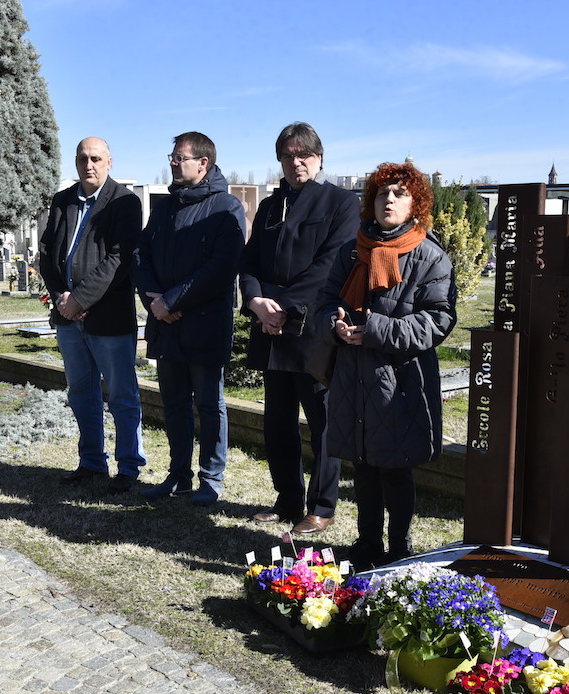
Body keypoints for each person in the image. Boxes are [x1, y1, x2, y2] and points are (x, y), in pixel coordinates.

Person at [316, 162, 457, 567]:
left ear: (416, 203)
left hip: (400, 380)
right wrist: (335, 325)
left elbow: (438, 321)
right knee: (362, 466)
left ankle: (398, 548)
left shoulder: (430, 257)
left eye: (399, 194)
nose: (389, 200)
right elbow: (326, 301)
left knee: (394, 467)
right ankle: (366, 545)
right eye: (381, 194)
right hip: (353, 376)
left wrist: (375, 328)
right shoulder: (352, 250)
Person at [238, 122, 358, 535]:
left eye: (303, 154)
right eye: (287, 156)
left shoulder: (341, 203)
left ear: (319, 158)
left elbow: (329, 266)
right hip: (271, 330)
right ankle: (287, 498)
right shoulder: (271, 206)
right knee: (278, 423)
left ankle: (321, 507)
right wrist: (255, 302)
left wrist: (282, 307)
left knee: (323, 423)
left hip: (312, 331)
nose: (296, 162)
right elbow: (249, 261)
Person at [133, 132, 246, 506]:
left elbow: (221, 267)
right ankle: (179, 474)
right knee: (175, 403)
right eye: (172, 156)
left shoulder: (226, 207)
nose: (173, 162)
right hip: (165, 322)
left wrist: (174, 299)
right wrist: (155, 302)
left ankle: (211, 479)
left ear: (203, 164)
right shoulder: (165, 207)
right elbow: (140, 254)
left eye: (180, 157)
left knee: (209, 404)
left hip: (203, 323)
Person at [39, 137, 145, 494]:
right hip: (69, 319)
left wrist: (80, 299)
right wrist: (61, 300)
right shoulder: (62, 201)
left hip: (108, 318)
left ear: (109, 162)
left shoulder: (125, 202)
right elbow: (47, 253)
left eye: (96, 158)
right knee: (81, 393)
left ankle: (128, 467)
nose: (89, 165)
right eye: (83, 158)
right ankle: (91, 461)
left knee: (121, 395)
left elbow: (119, 259)